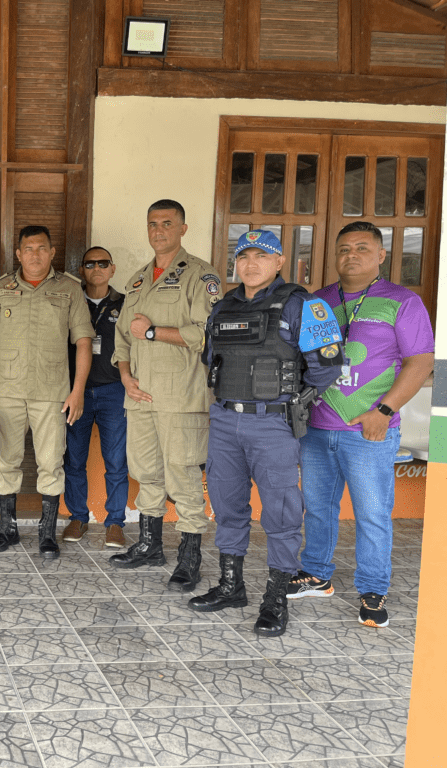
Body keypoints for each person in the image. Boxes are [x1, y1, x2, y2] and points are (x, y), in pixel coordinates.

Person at [188, 230, 343, 637]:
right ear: (235, 264)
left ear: (279, 262)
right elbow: (212, 360)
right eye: (244, 257)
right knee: (227, 502)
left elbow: (327, 367)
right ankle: (231, 584)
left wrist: (295, 405)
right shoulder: (223, 306)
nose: (251, 264)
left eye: (262, 256)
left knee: (280, 511)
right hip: (224, 420)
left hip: (273, 423)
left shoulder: (303, 305)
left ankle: (275, 598)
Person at [289, 221, 434, 628]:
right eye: (343, 249)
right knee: (317, 508)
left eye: (361, 248)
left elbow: (421, 361)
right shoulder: (317, 302)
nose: (350, 255)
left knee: (372, 513)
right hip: (317, 426)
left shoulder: (401, 301)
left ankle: (373, 589)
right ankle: (317, 575)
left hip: (369, 430)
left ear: (381, 255)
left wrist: (384, 412)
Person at [109, 200, 219, 591]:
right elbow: (123, 337)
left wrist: (154, 331)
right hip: (140, 395)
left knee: (183, 476)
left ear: (183, 229)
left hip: (182, 398)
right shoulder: (138, 280)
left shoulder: (201, 276)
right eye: (153, 223)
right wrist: (125, 377)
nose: (159, 230)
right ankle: (150, 544)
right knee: (147, 473)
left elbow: (207, 335)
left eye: (167, 223)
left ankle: (190, 556)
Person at [0, 225, 94, 559]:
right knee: (7, 461)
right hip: (8, 392)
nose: (35, 255)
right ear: (18, 253)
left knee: (50, 463)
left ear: (53, 252)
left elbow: (84, 342)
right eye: (28, 248)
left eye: (42, 248)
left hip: (52, 393)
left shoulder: (70, 290)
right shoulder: (1, 289)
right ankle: (7, 529)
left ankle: (46, 534)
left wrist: (78, 391)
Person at [62, 247, 129, 549]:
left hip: (114, 392)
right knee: (74, 459)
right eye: (90, 264)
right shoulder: (70, 301)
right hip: (76, 393)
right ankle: (78, 517)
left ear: (112, 269)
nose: (97, 268)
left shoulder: (126, 304)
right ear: (82, 270)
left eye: (103, 264)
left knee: (115, 461)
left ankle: (114, 523)